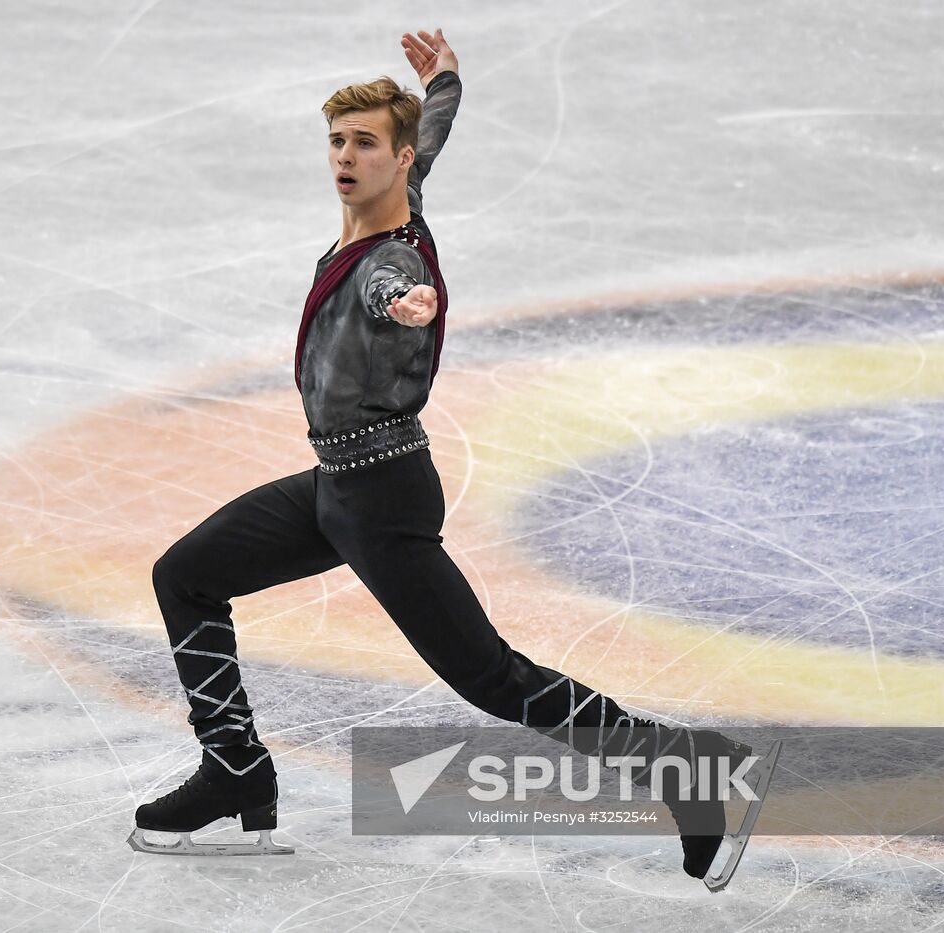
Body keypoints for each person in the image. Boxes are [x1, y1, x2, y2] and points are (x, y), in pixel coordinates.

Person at [128, 28, 778, 889]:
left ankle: (686, 773)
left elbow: (392, 289)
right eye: (337, 141)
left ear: (394, 161)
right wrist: (443, 80)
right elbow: (430, 132)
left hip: (384, 499)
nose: (346, 158)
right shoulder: (404, 190)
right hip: (335, 488)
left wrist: (411, 303)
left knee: (491, 677)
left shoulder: (390, 262)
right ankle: (236, 766)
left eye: (365, 144)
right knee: (187, 575)